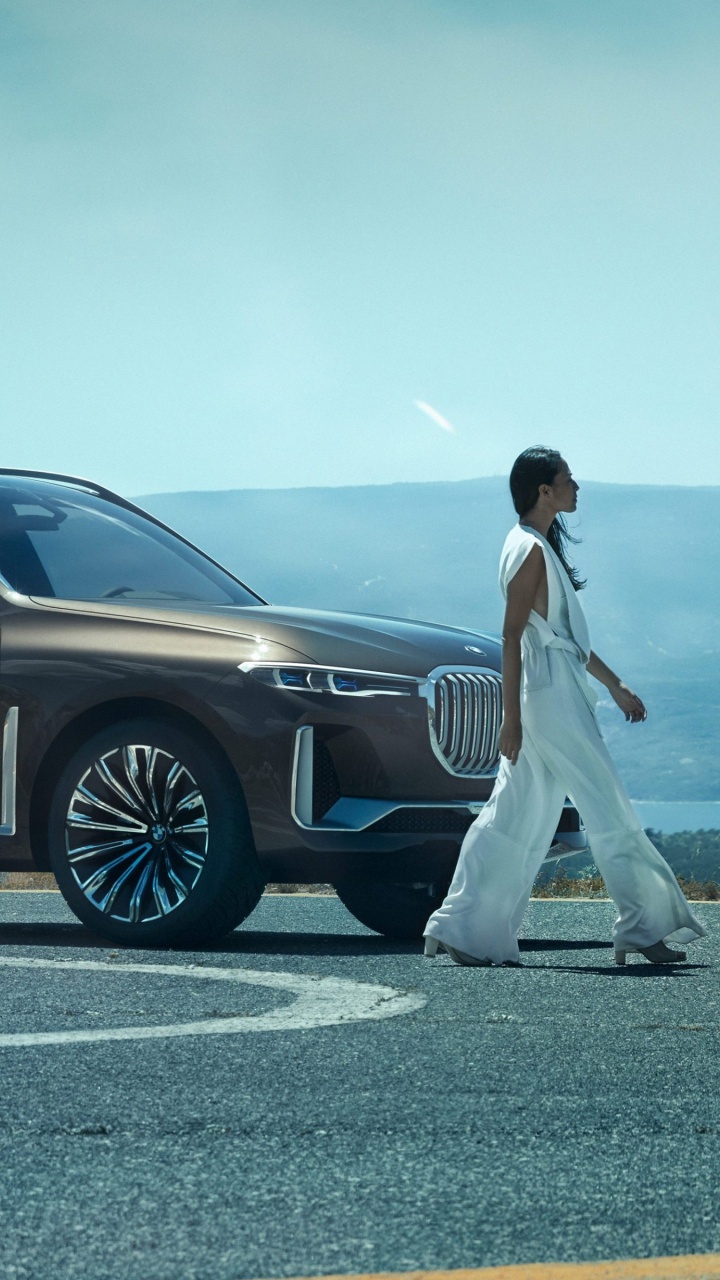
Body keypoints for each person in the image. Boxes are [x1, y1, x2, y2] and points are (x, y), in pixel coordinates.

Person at [423, 446, 706, 967]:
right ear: (544, 491)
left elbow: (561, 637)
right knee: (608, 806)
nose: (577, 487)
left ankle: (461, 927)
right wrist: (510, 721)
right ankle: (643, 928)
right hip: (549, 696)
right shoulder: (530, 550)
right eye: (568, 479)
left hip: (547, 688)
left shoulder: (531, 544)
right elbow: (509, 637)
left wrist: (616, 685)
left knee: (516, 811)